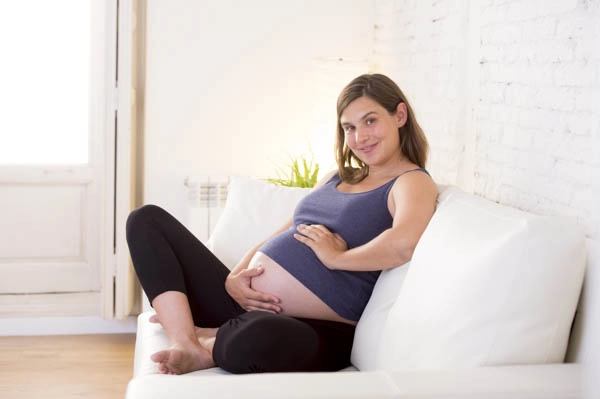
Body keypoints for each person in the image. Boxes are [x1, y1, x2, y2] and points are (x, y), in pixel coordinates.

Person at [125, 73, 438, 375]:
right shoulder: (335, 177)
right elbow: (285, 230)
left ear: (399, 115)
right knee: (145, 221)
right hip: (245, 305)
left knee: (254, 337)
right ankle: (187, 341)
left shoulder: (410, 183)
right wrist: (236, 277)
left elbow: (403, 244)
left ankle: (204, 335)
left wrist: (336, 258)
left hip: (316, 327)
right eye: (349, 127)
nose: (360, 137)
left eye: (370, 121)